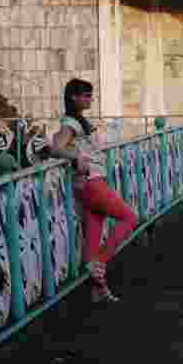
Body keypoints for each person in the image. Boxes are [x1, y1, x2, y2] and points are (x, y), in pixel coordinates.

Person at [49, 79, 138, 303]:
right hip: (92, 183)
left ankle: (98, 290)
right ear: (73, 97)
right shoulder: (71, 122)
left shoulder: (78, 121)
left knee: (92, 240)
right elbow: (56, 147)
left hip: (89, 185)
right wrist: (76, 156)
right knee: (128, 217)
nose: (90, 99)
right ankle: (99, 263)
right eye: (85, 95)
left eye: (90, 95)